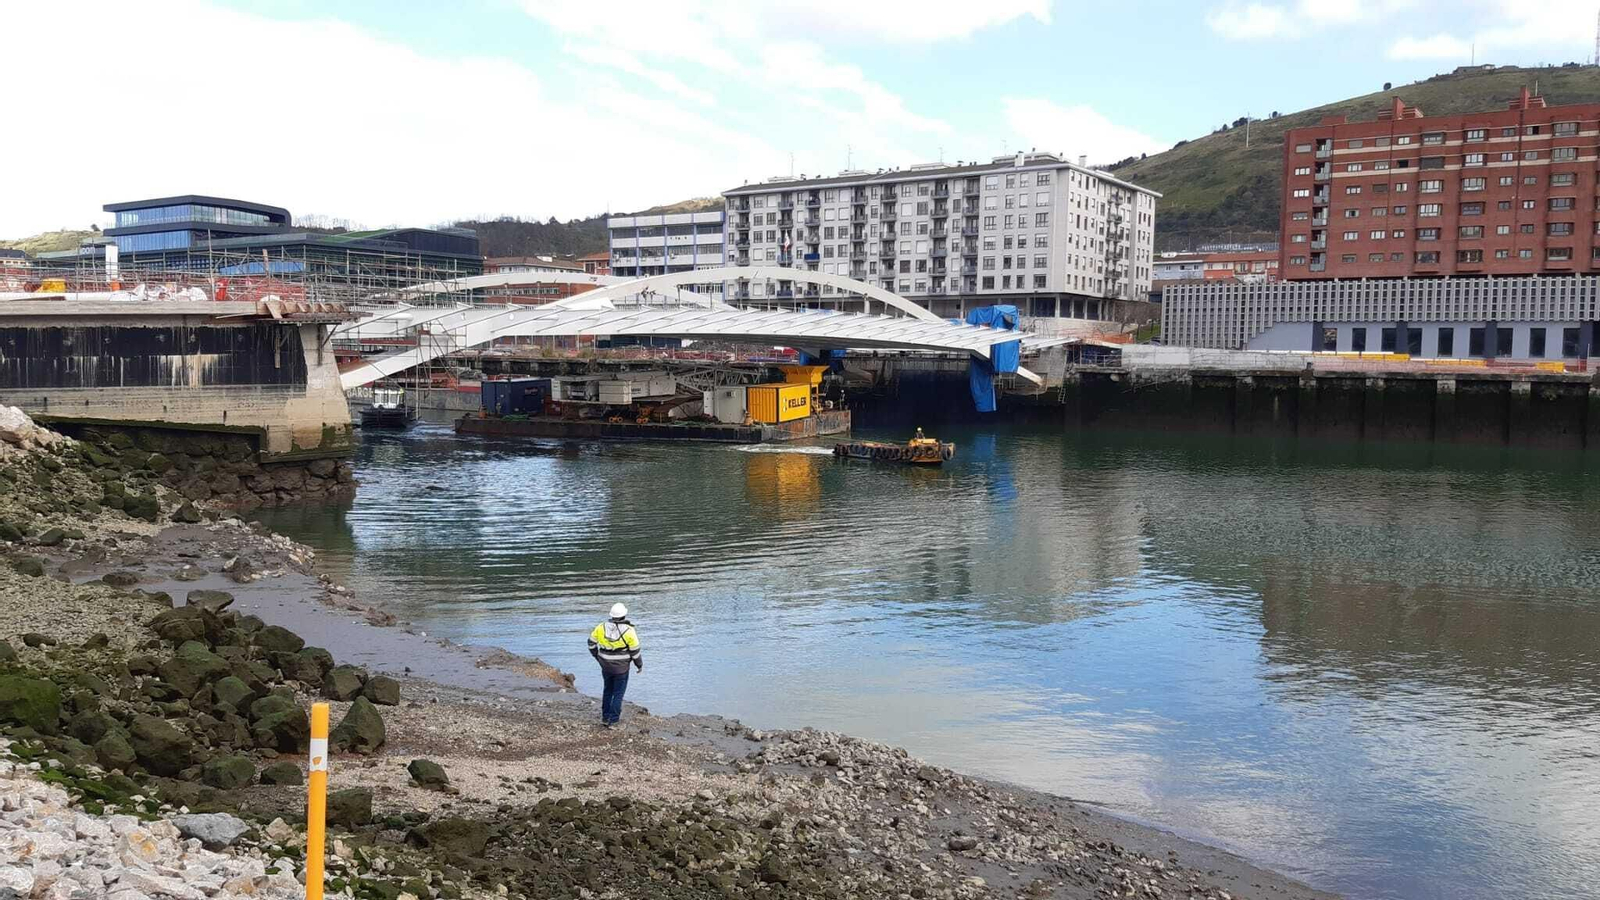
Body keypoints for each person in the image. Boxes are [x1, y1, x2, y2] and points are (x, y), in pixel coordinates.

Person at [587, 602, 643, 726]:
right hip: (621, 668)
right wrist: (639, 665)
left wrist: (597, 656)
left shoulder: (601, 627)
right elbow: (635, 652)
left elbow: (591, 643)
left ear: (611, 615)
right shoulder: (629, 630)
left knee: (608, 690)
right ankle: (613, 721)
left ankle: (605, 717)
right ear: (624, 615)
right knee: (618, 694)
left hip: (605, 665)